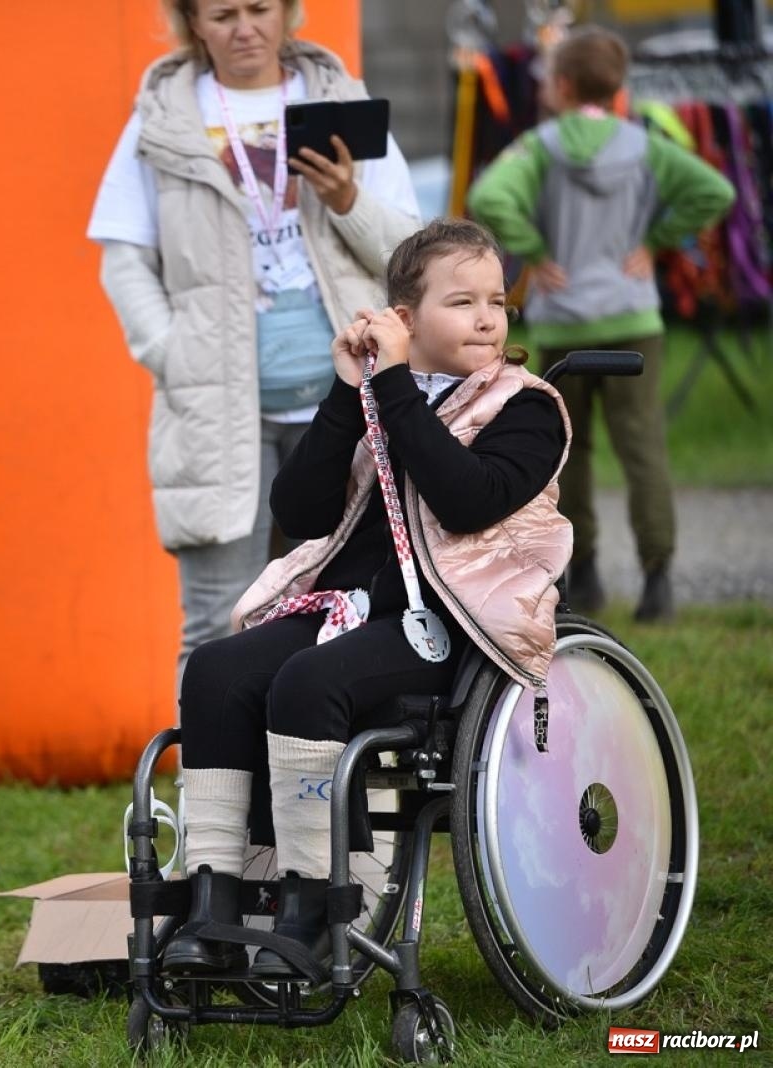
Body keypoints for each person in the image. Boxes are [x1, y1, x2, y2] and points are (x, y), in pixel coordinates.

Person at [162, 219, 571, 978]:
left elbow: (466, 500)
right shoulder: (381, 398)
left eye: (496, 301)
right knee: (215, 671)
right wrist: (350, 395)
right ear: (407, 320)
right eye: (462, 302)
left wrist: (392, 389)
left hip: (456, 623)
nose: (487, 317)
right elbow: (304, 514)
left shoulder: (527, 408)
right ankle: (213, 901)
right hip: (348, 608)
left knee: (309, 682)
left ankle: (316, 904)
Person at [87, 0, 421, 693]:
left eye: (260, 8)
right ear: (191, 24)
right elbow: (123, 258)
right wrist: (170, 351)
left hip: (343, 400)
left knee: (348, 612)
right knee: (215, 624)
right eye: (222, 13)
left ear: (290, 13)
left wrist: (347, 198)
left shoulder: (339, 99)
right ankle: (210, 796)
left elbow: (409, 252)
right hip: (217, 410)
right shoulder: (163, 120)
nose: (244, 28)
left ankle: (312, 788)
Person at [467, 25, 734, 622]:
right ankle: (658, 581)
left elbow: (488, 196)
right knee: (643, 449)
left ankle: (581, 577)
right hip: (634, 316)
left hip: (564, 324)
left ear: (561, 85)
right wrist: (657, 239)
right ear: (617, 87)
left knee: (567, 453)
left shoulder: (540, 146)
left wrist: (533, 247)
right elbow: (713, 190)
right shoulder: (643, 145)